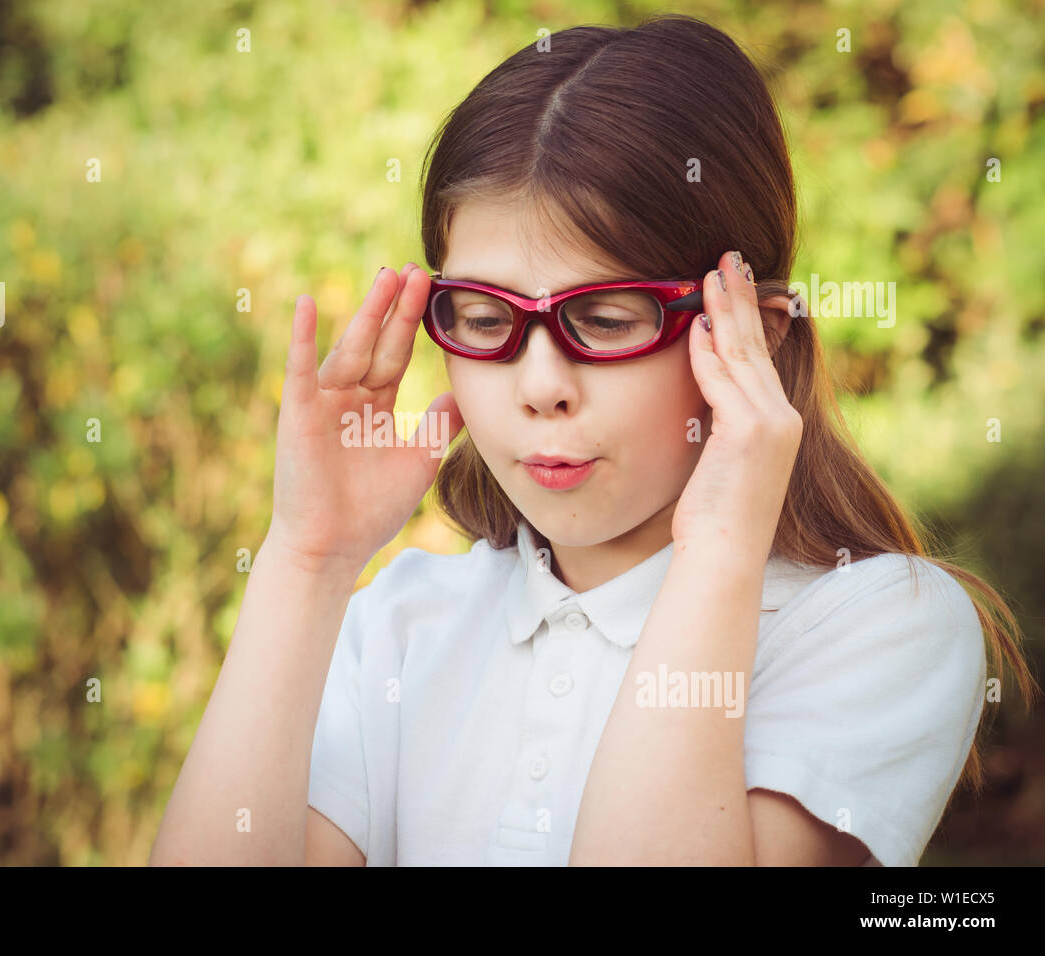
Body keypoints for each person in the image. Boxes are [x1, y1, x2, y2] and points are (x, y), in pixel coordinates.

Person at [149, 13, 1037, 866]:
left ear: (750, 334)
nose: (539, 388)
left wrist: (721, 550)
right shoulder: (403, 624)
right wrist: (308, 561)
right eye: (486, 318)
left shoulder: (878, 625)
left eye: (607, 320)